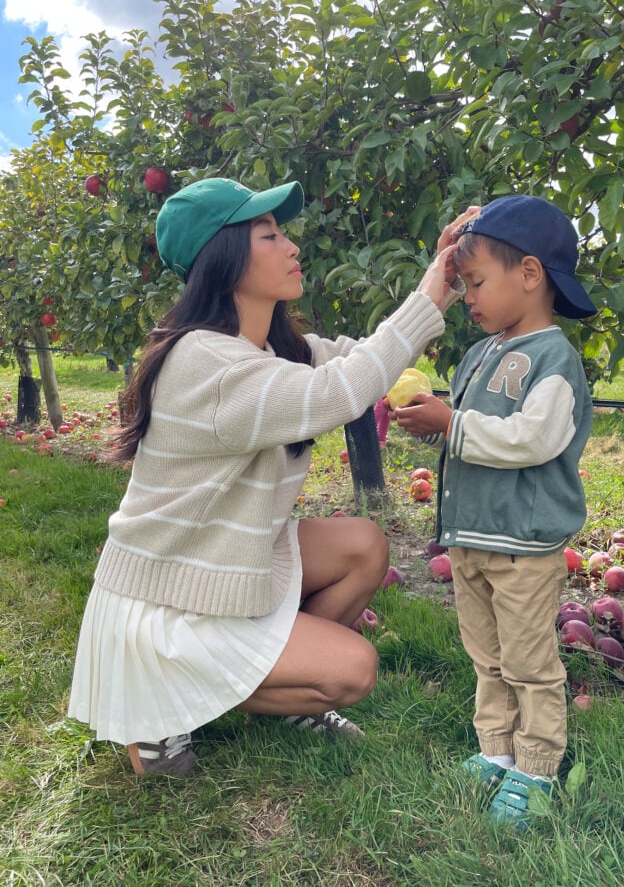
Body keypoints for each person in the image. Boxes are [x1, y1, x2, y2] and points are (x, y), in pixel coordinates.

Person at [67, 176, 461, 777]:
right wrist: (428, 293)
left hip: (224, 563)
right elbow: (341, 389)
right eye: (270, 234)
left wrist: (449, 286)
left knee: (366, 546)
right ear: (222, 257)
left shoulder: (269, 349)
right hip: (172, 599)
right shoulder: (204, 360)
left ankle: (271, 687)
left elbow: (356, 360)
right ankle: (161, 703)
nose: (292, 246)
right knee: (353, 669)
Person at [393, 194, 596, 830]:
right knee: (486, 656)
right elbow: (471, 434)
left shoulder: (553, 359)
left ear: (530, 275)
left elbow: (531, 440)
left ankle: (536, 768)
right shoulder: (481, 352)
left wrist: (451, 423)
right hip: (472, 539)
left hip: (524, 545)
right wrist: (431, 423)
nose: (469, 298)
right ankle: (496, 750)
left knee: (530, 664)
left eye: (477, 283)